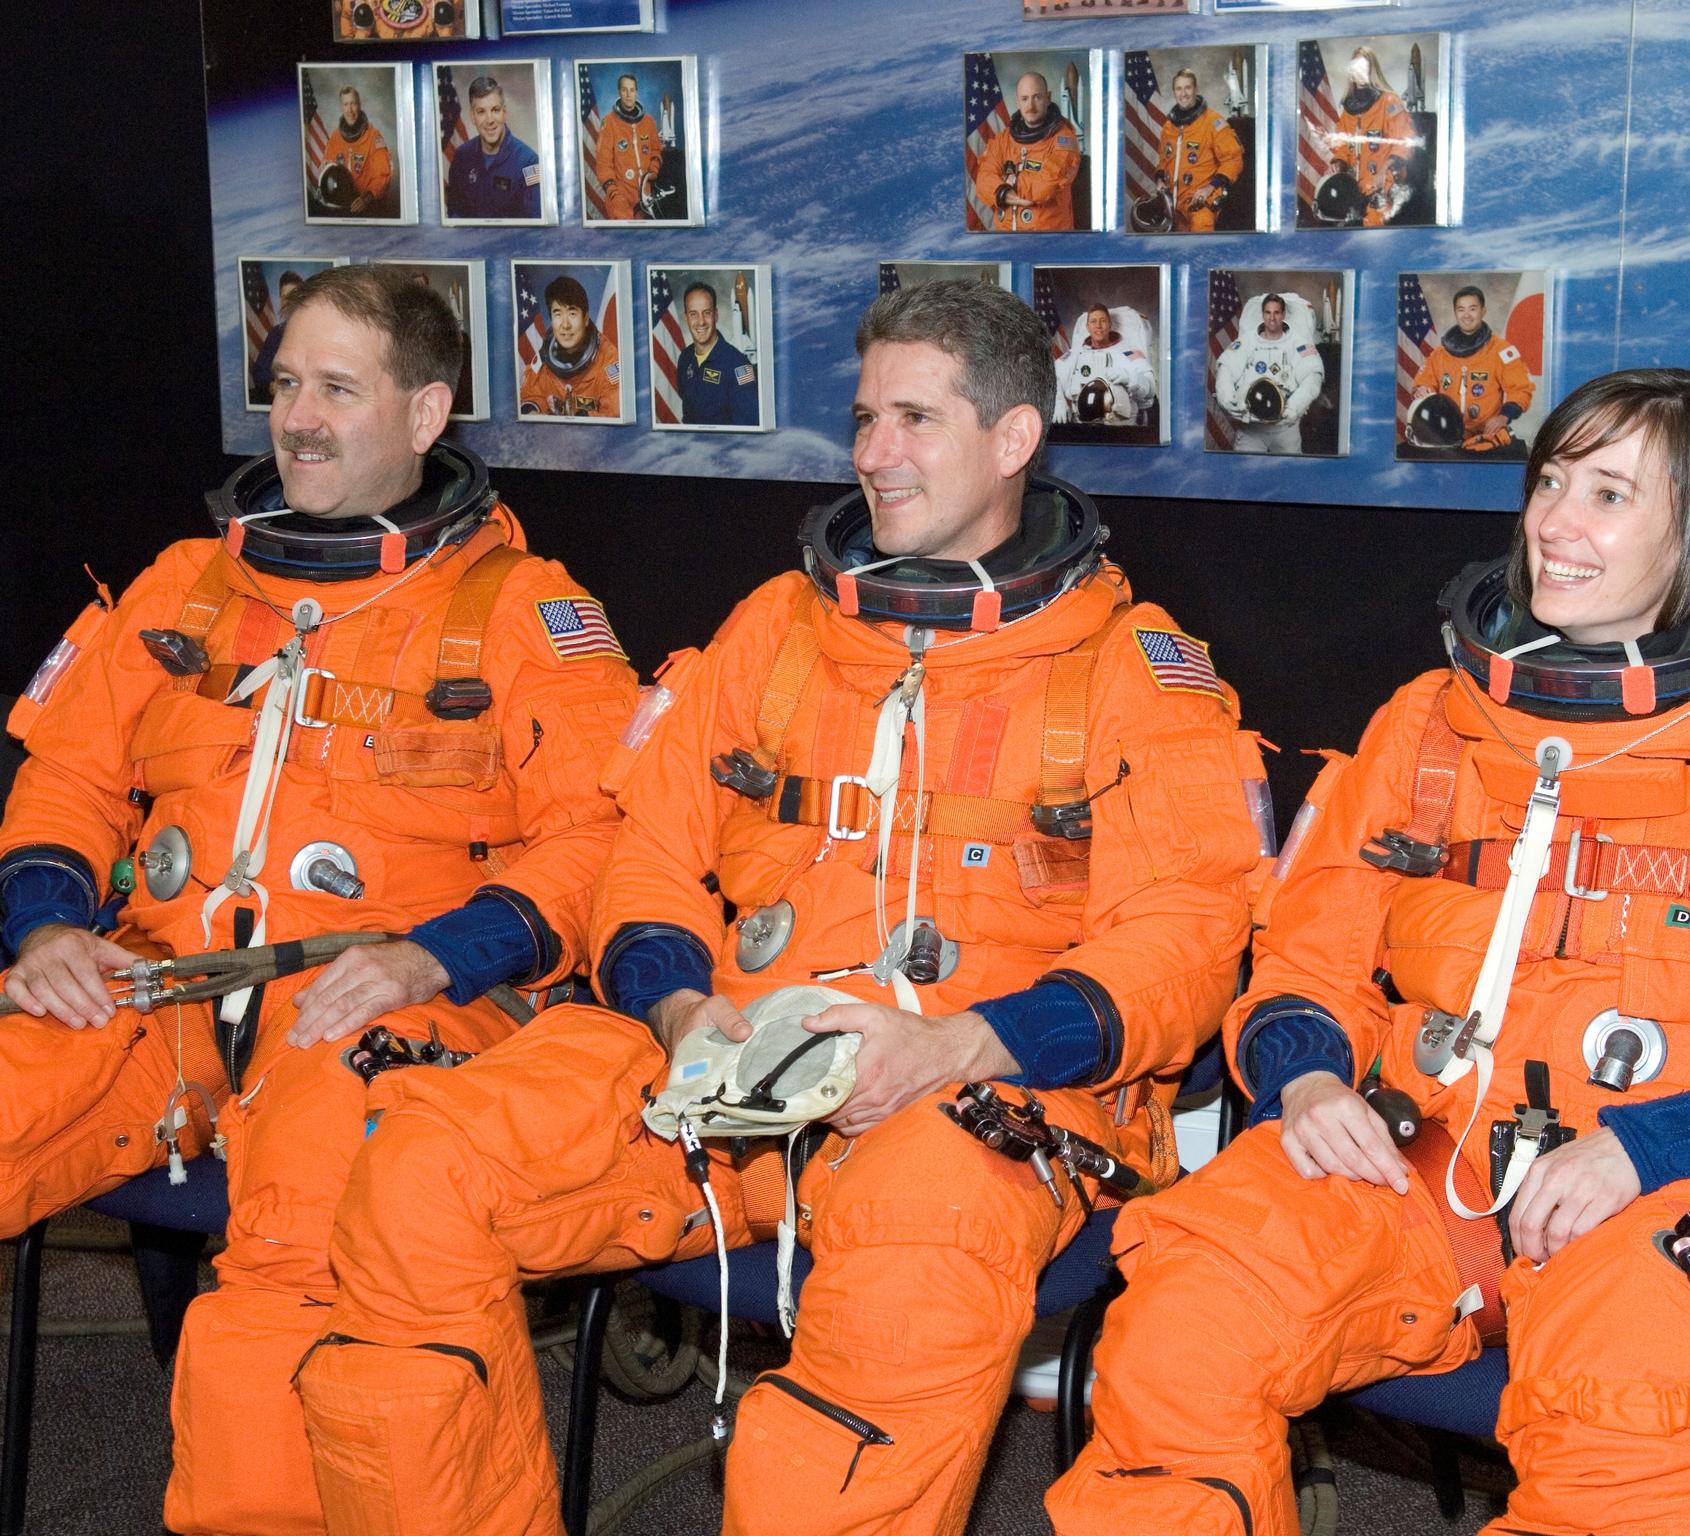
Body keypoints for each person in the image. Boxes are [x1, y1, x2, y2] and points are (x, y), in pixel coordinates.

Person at [296, 278, 1263, 1536]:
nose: (873, 453)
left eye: (914, 419)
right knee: (420, 1165)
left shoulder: (1131, 672)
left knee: (904, 1286)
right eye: (864, 418)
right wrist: (678, 1006)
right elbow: (646, 851)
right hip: (720, 1071)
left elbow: (1187, 940)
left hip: (973, 1096)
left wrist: (958, 1047)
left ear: (1014, 438)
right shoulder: (777, 631)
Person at [1049, 368, 1690, 1536]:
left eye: (1608, 494)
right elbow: (1306, 954)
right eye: (1551, 483)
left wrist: (1650, 1148)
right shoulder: (1428, 725)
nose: (1554, 522)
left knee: (1629, 1422)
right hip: (1426, 1157)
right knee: (1182, 1323)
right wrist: (1308, 1077)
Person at [0, 265, 636, 1536]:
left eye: (338, 390)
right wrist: (48, 925)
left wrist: (437, 957)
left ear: (425, 412)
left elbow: (602, 839)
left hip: (375, 1005)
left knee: (291, 1272)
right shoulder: (186, 586)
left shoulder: (523, 613)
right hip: (155, 991)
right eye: (286, 384)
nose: (297, 418)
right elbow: (64, 777)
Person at [1409, 285, 1534, 458]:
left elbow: (1521, 389)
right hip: (1446, 435)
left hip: (1486, 436)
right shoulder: (1440, 354)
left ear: (1483, 311)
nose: (1466, 315)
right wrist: (1422, 389)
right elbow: (1424, 381)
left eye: (1472, 309)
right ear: (1455, 313)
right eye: (1461, 309)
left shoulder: (1500, 351)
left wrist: (1503, 417)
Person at [1213, 292, 1324, 454]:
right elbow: (1226, 369)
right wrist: (1227, 399)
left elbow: (1313, 377)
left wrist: (1293, 408)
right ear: (1262, 314)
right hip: (1251, 428)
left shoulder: (1298, 344)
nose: (1272, 318)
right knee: (1245, 468)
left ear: (1283, 315)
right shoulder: (1246, 342)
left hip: (1285, 429)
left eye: (1276, 313)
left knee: (1288, 468)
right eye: (1268, 312)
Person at [974, 71, 1082, 231]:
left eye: (1037, 97)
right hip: (1006, 236)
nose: (1030, 106)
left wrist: (1004, 184)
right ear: (1017, 102)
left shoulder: (1064, 139)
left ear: (1048, 98)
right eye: (1025, 99)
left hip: (1049, 237)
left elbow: (1045, 185)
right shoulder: (1004, 139)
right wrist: (1003, 192)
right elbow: (983, 179)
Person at [1325, 45, 1416, 228]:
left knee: (1372, 229)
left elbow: (1404, 140)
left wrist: (1385, 168)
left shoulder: (1389, 102)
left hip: (1383, 184)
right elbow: (1342, 147)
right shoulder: (1348, 110)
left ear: (1372, 69)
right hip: (1353, 189)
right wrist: (1338, 163)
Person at [519, 273, 620, 419]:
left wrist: (581, 416)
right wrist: (532, 411)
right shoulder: (545, 358)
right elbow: (532, 395)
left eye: (572, 314)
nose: (565, 325)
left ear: (585, 319)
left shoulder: (609, 361)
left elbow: (614, 413)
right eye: (558, 314)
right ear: (551, 319)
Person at [1154, 68, 1242, 233]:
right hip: (1173, 204)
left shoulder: (1214, 122)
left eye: (1188, 88)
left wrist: (1209, 188)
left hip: (1200, 201)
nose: (1183, 94)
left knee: (1200, 234)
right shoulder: (1169, 127)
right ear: (1174, 92)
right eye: (1179, 89)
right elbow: (1163, 161)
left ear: (1196, 89)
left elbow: (1233, 159)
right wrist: (1159, 180)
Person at [445, 74, 542, 220]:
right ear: (472, 117)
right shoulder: (461, 157)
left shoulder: (530, 162)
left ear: (504, 113)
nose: (489, 120)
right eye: (481, 112)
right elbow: (454, 215)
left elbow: (534, 222)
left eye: (495, 110)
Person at [1054, 302, 1157, 426]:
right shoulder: (1075, 354)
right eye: (1093, 321)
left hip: (1122, 427)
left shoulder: (1128, 353)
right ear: (1087, 327)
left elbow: (1150, 387)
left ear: (1110, 325)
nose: (1098, 326)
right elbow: (1052, 375)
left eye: (1103, 321)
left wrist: (1132, 379)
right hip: (1082, 427)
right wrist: (1058, 402)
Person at [675, 279, 760, 425]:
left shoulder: (738, 365)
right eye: (693, 314)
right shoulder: (685, 359)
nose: (701, 322)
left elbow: (749, 426)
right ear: (686, 318)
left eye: (706, 313)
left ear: (716, 315)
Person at [594, 72, 664, 220]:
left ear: (636, 92)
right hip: (620, 197)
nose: (628, 95)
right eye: (624, 90)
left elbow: (656, 151)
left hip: (645, 195)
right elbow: (603, 162)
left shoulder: (648, 122)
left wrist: (653, 169)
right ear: (619, 92)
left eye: (632, 90)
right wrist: (613, 193)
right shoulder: (609, 122)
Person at [318, 85, 393, 216]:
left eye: (353, 104)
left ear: (359, 105)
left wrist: (367, 198)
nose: (350, 110)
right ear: (342, 107)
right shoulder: (335, 137)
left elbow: (383, 175)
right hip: (340, 205)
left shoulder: (374, 137)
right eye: (346, 104)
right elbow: (328, 167)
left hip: (367, 205)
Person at [247, 269, 305, 407]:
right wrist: (271, 383)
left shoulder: (318, 331)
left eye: (294, 296)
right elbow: (259, 370)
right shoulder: (275, 334)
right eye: (285, 297)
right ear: (280, 300)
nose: (289, 301)